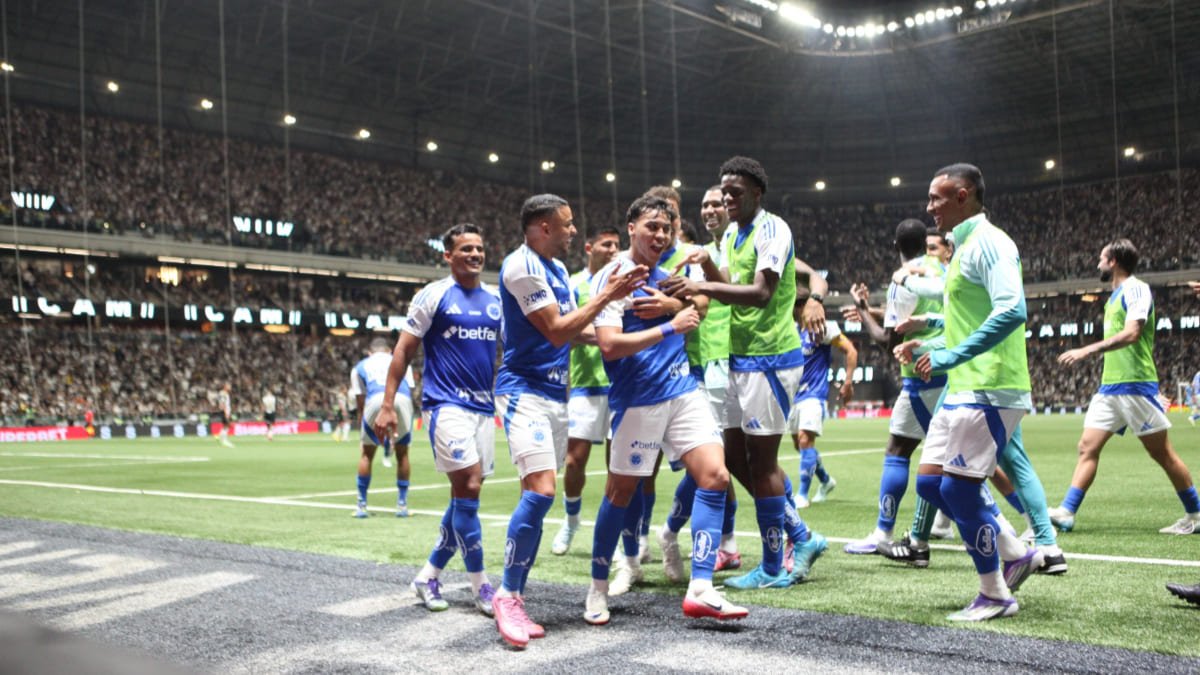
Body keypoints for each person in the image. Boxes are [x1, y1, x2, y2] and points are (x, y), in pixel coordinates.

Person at [661, 156, 828, 590]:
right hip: (740, 357)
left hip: (772, 359)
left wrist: (701, 285)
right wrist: (708, 266)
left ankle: (773, 566)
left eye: (735, 193)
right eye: (723, 192)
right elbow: (732, 283)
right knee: (733, 457)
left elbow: (759, 293)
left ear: (758, 193)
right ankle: (802, 538)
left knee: (763, 462)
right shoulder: (735, 232)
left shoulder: (774, 230)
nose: (728, 200)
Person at [491, 193, 646, 649]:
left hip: (555, 394)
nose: (573, 231)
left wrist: (620, 338)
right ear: (542, 227)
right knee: (541, 491)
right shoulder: (521, 267)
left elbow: (572, 331)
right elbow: (556, 330)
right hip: (522, 392)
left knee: (536, 497)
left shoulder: (557, 270)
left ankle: (516, 593)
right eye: (566, 224)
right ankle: (507, 595)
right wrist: (607, 296)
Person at [584, 194, 746, 625]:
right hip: (639, 400)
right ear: (631, 227)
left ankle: (702, 587)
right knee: (621, 492)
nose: (660, 234)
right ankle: (598, 588)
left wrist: (679, 306)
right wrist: (667, 326)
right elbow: (609, 346)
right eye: (651, 226)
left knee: (715, 476)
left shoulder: (671, 272)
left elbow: (703, 305)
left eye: (667, 227)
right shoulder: (613, 277)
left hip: (683, 389)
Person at [895, 163, 1043, 621]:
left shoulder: (993, 243)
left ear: (962, 195)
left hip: (991, 385)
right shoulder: (962, 247)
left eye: (936, 198)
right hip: (964, 386)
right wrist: (931, 341)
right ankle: (1016, 551)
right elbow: (968, 320)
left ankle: (995, 592)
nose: (928, 208)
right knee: (930, 483)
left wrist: (949, 357)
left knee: (959, 491)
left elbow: (1011, 311)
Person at [374, 223, 500, 616]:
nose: (475, 255)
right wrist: (388, 403)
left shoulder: (495, 301)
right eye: (466, 249)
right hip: (445, 405)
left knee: (464, 495)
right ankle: (481, 585)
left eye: (479, 248)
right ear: (448, 255)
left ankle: (428, 575)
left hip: (483, 409)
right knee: (471, 484)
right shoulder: (433, 295)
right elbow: (403, 350)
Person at [1049, 239, 1200, 535]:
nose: (1097, 264)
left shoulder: (1136, 289)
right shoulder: (1115, 295)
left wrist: (1086, 350)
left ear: (1114, 261)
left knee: (1163, 454)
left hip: (1134, 386)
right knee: (1087, 447)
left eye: (1101, 258)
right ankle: (1067, 511)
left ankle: (1195, 514)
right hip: (1110, 389)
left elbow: (1132, 333)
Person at [658, 185, 743, 583]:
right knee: (718, 463)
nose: (713, 209)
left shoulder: (740, 242)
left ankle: (711, 540)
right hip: (701, 364)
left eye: (720, 203)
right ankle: (716, 541)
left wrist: (812, 296)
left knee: (731, 461)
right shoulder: (706, 250)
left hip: (731, 362)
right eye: (707, 204)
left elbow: (803, 275)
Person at [551, 226, 622, 557]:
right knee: (574, 460)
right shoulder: (575, 284)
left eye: (617, 245)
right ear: (589, 247)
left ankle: (619, 532)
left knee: (617, 465)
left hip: (621, 383)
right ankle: (571, 519)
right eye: (606, 244)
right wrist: (607, 337)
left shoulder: (625, 282)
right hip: (585, 383)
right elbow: (566, 330)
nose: (612, 249)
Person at [789, 289, 855, 508]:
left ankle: (802, 495)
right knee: (800, 446)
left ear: (800, 307)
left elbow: (851, 350)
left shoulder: (823, 327)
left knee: (805, 440)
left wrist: (847, 382)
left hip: (814, 394)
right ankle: (826, 481)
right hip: (793, 396)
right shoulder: (791, 329)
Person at [349, 338, 414, 519]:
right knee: (402, 454)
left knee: (366, 455)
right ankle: (402, 505)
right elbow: (409, 389)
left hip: (375, 399)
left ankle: (361, 505)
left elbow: (361, 400)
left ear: (370, 352)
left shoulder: (360, 366)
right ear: (389, 350)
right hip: (401, 399)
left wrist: (365, 426)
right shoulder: (402, 361)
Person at [216, 383, 235, 448]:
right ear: (225, 387)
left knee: (226, 426)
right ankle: (224, 440)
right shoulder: (223, 393)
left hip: (226, 411)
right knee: (227, 425)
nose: (230, 387)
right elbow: (222, 403)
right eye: (229, 386)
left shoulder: (224, 393)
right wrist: (225, 413)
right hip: (225, 411)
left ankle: (221, 437)